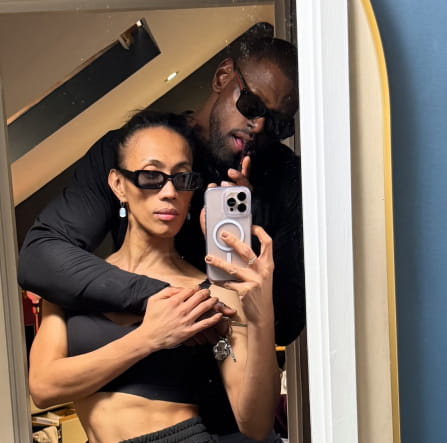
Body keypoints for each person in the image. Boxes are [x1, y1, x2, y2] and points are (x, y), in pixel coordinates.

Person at [17, 36, 304, 347]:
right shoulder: (132, 151)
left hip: (224, 365)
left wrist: (248, 242)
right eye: (252, 106)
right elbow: (39, 256)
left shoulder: (285, 180)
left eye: (277, 124)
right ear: (222, 77)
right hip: (143, 350)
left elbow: (286, 324)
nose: (258, 126)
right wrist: (169, 299)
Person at [29, 110, 282, 443]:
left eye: (182, 178)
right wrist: (149, 337)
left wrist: (261, 314)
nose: (169, 192)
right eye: (151, 176)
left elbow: (255, 423)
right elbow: (43, 388)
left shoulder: (211, 293)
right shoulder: (70, 280)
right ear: (118, 184)